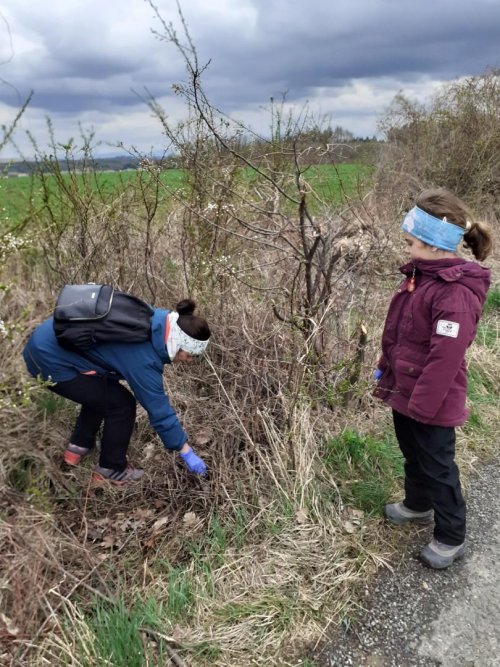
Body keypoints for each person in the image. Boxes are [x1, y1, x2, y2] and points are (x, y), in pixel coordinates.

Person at [374, 188, 493, 569]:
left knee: (438, 467)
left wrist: (423, 405)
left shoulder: (454, 293)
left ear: (434, 245)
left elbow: (446, 356)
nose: (406, 249)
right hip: (406, 390)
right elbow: (399, 332)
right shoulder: (420, 278)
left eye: (410, 243)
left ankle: (451, 535)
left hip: (432, 400)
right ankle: (417, 504)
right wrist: (385, 366)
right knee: (412, 454)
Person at [23, 298, 210, 485]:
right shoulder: (144, 359)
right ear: (177, 344)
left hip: (48, 339)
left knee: (103, 392)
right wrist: (187, 452)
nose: (189, 361)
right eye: (189, 355)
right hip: (49, 361)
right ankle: (111, 469)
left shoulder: (158, 320)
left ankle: (78, 447)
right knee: (121, 404)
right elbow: (158, 410)